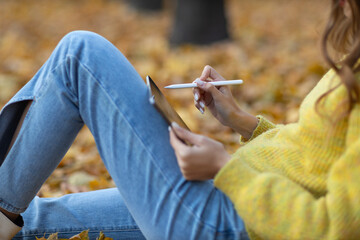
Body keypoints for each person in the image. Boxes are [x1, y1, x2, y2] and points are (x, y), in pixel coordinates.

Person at [0, 0, 359, 239]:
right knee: (29, 223)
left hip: (227, 224)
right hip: (224, 203)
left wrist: (225, 169)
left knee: (80, 56)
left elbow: (329, 227)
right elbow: (316, 155)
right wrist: (241, 121)